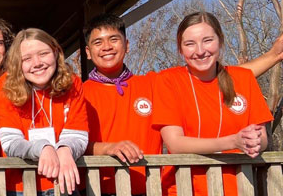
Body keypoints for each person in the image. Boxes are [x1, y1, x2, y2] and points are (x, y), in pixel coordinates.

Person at [82, 13, 283, 196]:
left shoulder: (154, 83)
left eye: (114, 39)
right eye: (98, 42)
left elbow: (220, 77)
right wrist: (108, 148)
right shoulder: (79, 94)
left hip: (151, 189)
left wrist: (273, 56)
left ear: (127, 44)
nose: (107, 46)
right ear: (88, 52)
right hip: (99, 188)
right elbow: (71, 144)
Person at [152, 12, 272, 196]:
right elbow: (175, 143)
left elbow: (262, 137)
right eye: (190, 44)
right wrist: (233, 141)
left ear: (220, 41)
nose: (200, 50)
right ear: (180, 48)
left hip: (238, 187)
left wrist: (254, 142)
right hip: (182, 188)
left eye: (207, 40)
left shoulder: (243, 78)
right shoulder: (168, 80)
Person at [0, 28, 88, 196]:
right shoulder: (6, 84)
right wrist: (42, 148)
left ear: (55, 53)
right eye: (27, 58)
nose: (37, 63)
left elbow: (78, 134)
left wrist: (65, 149)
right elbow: (10, 142)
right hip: (20, 187)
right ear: (18, 63)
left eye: (43, 53)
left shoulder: (73, 83)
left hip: (64, 183)